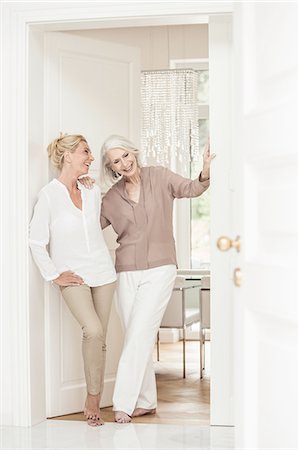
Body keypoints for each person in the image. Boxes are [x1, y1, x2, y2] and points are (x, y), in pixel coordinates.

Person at [82, 134, 215, 424]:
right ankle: (145, 401)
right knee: (134, 335)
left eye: (125, 156)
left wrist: (206, 170)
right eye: (116, 162)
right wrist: (84, 192)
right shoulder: (111, 198)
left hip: (161, 268)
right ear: (112, 168)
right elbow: (87, 228)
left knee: (140, 332)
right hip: (126, 270)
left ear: (134, 153)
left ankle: (123, 403)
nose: (124, 163)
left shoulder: (160, 176)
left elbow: (193, 188)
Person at [29, 134, 117, 427]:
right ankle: (92, 399)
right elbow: (36, 241)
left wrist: (89, 181)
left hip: (103, 271)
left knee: (101, 337)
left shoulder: (91, 190)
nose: (90, 158)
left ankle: (95, 396)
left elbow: (115, 186)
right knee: (92, 330)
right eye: (85, 152)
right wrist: (54, 275)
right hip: (73, 275)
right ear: (67, 156)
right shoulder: (48, 195)